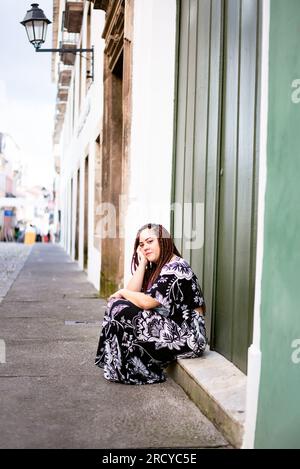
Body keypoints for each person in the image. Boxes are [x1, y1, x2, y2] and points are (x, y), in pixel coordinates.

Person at [95, 223, 207, 385]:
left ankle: (140, 371)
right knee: (117, 305)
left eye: (150, 241)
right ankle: (120, 367)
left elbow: (147, 302)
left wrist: (123, 293)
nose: (145, 247)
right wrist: (142, 264)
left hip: (190, 337)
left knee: (122, 309)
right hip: (174, 327)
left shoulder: (176, 267)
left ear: (163, 241)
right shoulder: (158, 268)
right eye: (141, 245)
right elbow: (130, 293)